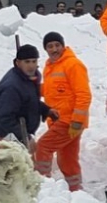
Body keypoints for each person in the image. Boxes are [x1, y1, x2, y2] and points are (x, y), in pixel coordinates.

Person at [35, 32, 92, 192]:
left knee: (43, 147)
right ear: (45, 49)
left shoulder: (73, 64)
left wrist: (76, 121)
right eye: (50, 46)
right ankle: (76, 190)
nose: (54, 49)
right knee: (67, 158)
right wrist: (32, 89)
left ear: (63, 45)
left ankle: (42, 186)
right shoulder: (51, 66)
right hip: (58, 119)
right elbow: (52, 90)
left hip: (68, 120)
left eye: (57, 45)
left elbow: (83, 94)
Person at [0, 44, 57, 148]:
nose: (31, 66)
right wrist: (24, 137)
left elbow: (28, 101)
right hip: (8, 138)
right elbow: (4, 118)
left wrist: (46, 110)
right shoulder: (11, 87)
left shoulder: (30, 77)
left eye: (34, 61)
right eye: (27, 62)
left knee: (29, 162)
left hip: (22, 134)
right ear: (18, 63)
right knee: (17, 164)